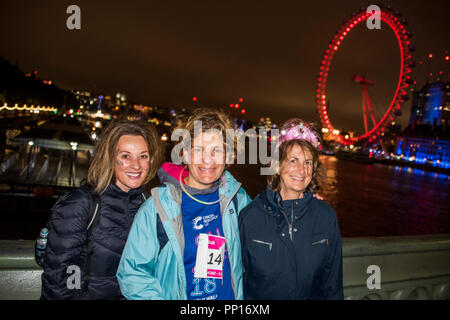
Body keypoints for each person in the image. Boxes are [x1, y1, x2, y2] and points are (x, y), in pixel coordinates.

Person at [116, 108, 252, 300]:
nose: (207, 159)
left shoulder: (238, 200)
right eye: (199, 150)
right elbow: (133, 274)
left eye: (217, 150)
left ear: (228, 156)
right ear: (186, 154)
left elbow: (267, 242)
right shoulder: (157, 208)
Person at [41, 119, 163, 299]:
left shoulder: (149, 204)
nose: (136, 165)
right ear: (109, 158)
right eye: (125, 156)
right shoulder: (81, 203)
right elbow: (58, 278)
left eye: (143, 156)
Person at [239, 118, 343, 300]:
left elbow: (332, 286)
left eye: (308, 162)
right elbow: (238, 281)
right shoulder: (250, 217)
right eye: (293, 161)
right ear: (278, 166)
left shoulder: (326, 218)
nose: (301, 170)